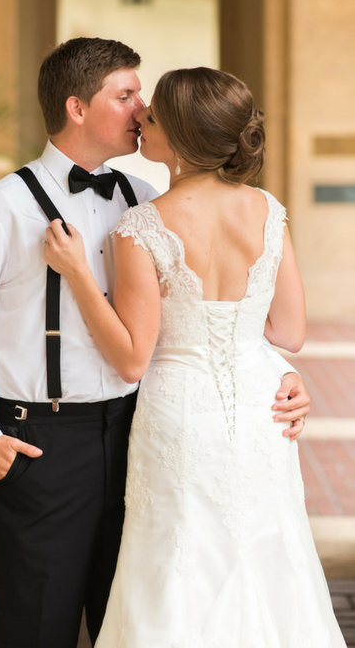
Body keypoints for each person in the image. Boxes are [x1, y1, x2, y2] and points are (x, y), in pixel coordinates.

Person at [0, 39, 310, 648]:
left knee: (132, 619)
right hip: (43, 445)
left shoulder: (147, 201)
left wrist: (275, 371)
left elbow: (206, 310)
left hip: (141, 436)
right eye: (126, 96)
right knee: (37, 628)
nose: (140, 109)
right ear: (77, 108)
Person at [43, 67, 343, 647]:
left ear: (179, 140)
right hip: (261, 411)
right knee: (267, 549)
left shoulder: (142, 225)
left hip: (180, 412)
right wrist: (278, 371)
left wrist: (79, 274)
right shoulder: (267, 209)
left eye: (150, 117)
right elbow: (290, 330)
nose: (139, 120)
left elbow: (132, 359)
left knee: (177, 555)